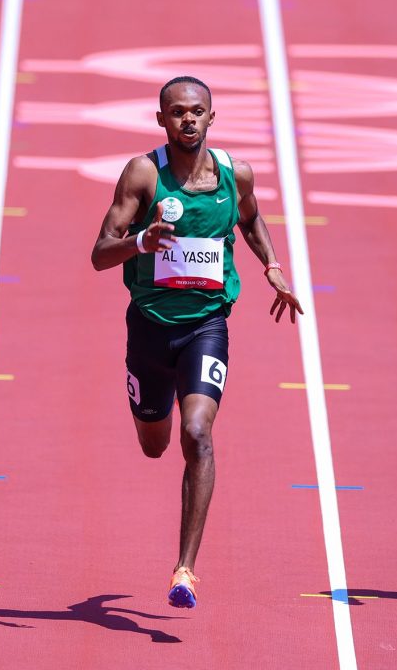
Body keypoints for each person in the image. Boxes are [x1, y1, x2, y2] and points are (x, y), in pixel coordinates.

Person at [91, 76, 303, 608]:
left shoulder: (235, 174)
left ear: (213, 117)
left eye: (197, 111)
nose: (188, 120)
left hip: (206, 326)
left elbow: (252, 223)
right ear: (161, 120)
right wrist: (142, 240)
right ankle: (148, 409)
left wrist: (273, 267)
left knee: (197, 433)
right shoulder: (144, 174)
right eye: (178, 112)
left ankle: (185, 569)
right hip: (148, 328)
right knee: (155, 443)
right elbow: (99, 252)